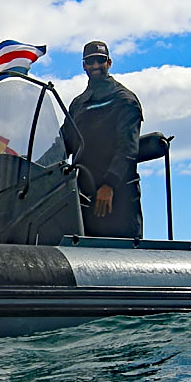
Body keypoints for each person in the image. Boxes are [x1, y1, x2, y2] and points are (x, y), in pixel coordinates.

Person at [63, 40, 144, 238]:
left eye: (100, 61)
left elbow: (127, 148)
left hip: (117, 199)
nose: (95, 66)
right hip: (83, 196)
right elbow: (63, 142)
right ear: (84, 65)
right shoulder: (78, 104)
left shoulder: (124, 99)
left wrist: (109, 185)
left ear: (109, 63)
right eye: (90, 62)